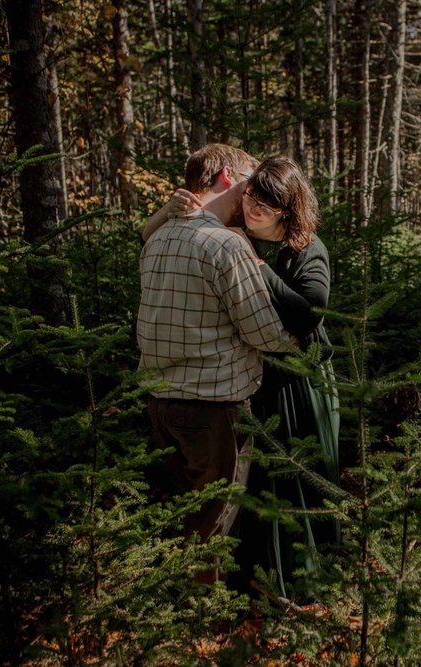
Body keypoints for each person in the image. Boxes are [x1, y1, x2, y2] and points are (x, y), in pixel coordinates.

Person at [147, 156, 340, 597]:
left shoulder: (305, 249)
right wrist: (165, 211)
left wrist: (258, 266)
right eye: (253, 196)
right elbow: (167, 234)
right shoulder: (232, 233)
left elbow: (310, 313)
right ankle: (250, 577)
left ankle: (301, 579)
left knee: (294, 477)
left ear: (289, 212)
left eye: (269, 206)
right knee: (253, 484)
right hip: (256, 379)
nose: (255, 209)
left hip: (299, 380)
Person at [136, 144, 294, 580]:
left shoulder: (159, 236)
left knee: (183, 510)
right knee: (215, 521)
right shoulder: (225, 244)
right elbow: (265, 334)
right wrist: (305, 343)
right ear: (229, 177)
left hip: (160, 403)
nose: (255, 192)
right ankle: (202, 625)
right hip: (214, 408)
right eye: (251, 179)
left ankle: (167, 604)